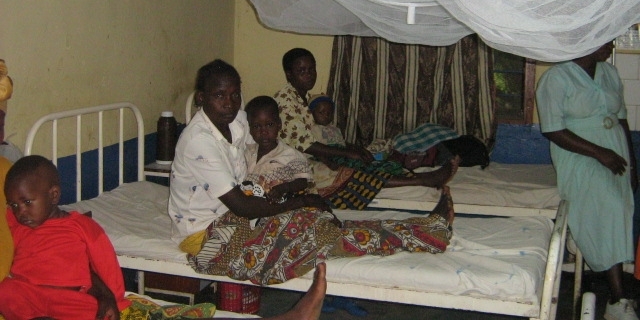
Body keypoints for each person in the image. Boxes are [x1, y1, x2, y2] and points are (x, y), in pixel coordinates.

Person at [168, 59, 454, 286]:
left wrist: (292, 194)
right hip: (206, 235)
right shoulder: (199, 141)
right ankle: (423, 234)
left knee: (316, 222)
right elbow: (242, 206)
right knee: (311, 233)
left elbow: (263, 148)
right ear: (201, 98)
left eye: (234, 95)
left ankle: (422, 229)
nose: (230, 103)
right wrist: (299, 200)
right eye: (219, 95)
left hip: (237, 216)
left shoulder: (236, 121)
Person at [274, 48, 459, 210]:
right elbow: (306, 145)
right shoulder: (286, 101)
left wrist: (352, 148)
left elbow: (320, 136)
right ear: (289, 74)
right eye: (302, 71)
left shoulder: (305, 98)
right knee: (349, 174)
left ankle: (419, 177)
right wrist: (347, 152)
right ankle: (422, 180)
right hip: (298, 166)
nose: (309, 75)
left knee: (366, 160)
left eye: (311, 69)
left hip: (314, 157)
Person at [536, 41, 638, 320]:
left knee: (618, 210)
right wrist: (599, 153)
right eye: (606, 40)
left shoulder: (610, 73)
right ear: (587, 41)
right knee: (610, 206)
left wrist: (633, 165)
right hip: (579, 153)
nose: (612, 45)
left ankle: (615, 296)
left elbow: (622, 120)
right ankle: (617, 298)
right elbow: (553, 130)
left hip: (615, 151)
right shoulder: (556, 77)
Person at [0, 155, 130, 320]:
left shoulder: (80, 225)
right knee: (5, 290)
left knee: (99, 312)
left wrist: (112, 298)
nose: (20, 212)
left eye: (27, 202)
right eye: (14, 205)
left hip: (68, 299)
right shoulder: (18, 227)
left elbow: (106, 263)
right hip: (30, 295)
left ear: (53, 195)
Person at [243, 95, 316, 204]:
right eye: (257, 126)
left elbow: (303, 181)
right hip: (253, 206)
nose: (263, 132)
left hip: (283, 205)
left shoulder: (290, 154)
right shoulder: (247, 153)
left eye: (269, 124)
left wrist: (284, 188)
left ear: (279, 124)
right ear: (249, 129)